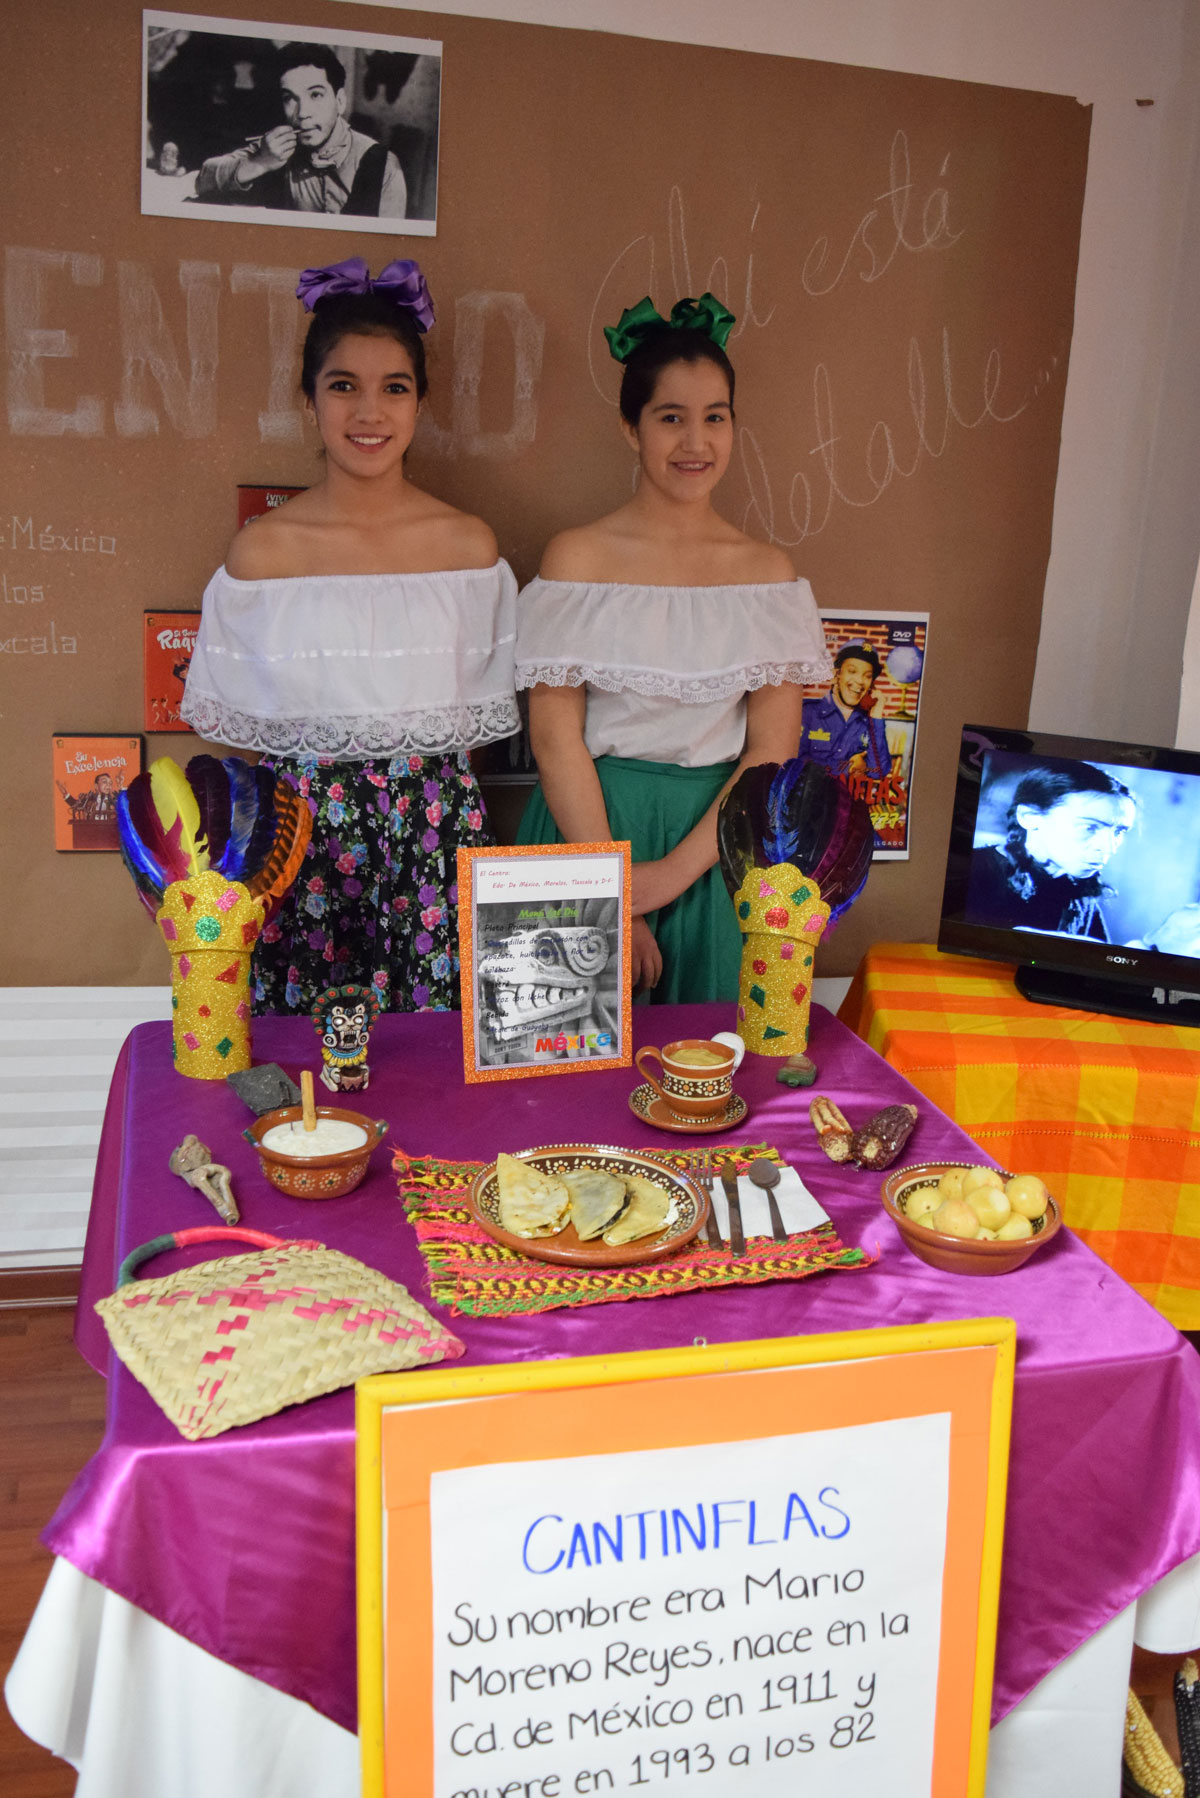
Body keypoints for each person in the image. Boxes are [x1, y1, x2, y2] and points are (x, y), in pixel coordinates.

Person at [181, 257, 518, 1013]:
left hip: (434, 841)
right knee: (309, 1057)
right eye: (343, 386)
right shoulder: (263, 555)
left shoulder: (468, 550)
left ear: (421, 401)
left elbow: (480, 729)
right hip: (300, 846)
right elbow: (240, 735)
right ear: (308, 401)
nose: (370, 412)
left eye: (394, 387)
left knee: (438, 1047)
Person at [514, 293, 832, 1003]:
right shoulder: (577, 559)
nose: (696, 442)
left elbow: (769, 754)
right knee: (563, 1053)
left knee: (707, 1058)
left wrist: (664, 879)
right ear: (631, 428)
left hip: (713, 846)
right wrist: (611, 889)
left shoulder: (767, 575)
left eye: (715, 417)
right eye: (670, 418)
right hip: (586, 830)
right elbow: (555, 739)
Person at [196, 42, 406, 218]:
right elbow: (204, 178)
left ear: (340, 101)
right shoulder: (279, 147)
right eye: (290, 98)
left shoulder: (382, 165)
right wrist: (258, 162)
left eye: (315, 95)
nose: (302, 113)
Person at [967, 762, 1137, 937]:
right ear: (1029, 817)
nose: (1109, 848)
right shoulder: (974, 871)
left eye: (1119, 832)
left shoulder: (1079, 897)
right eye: (1089, 827)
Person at [800, 642, 892, 779]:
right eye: (852, 671)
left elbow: (878, 772)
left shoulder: (869, 722)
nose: (860, 681)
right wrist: (847, 767)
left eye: (867, 676)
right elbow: (794, 762)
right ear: (836, 675)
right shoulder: (808, 712)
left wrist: (876, 716)